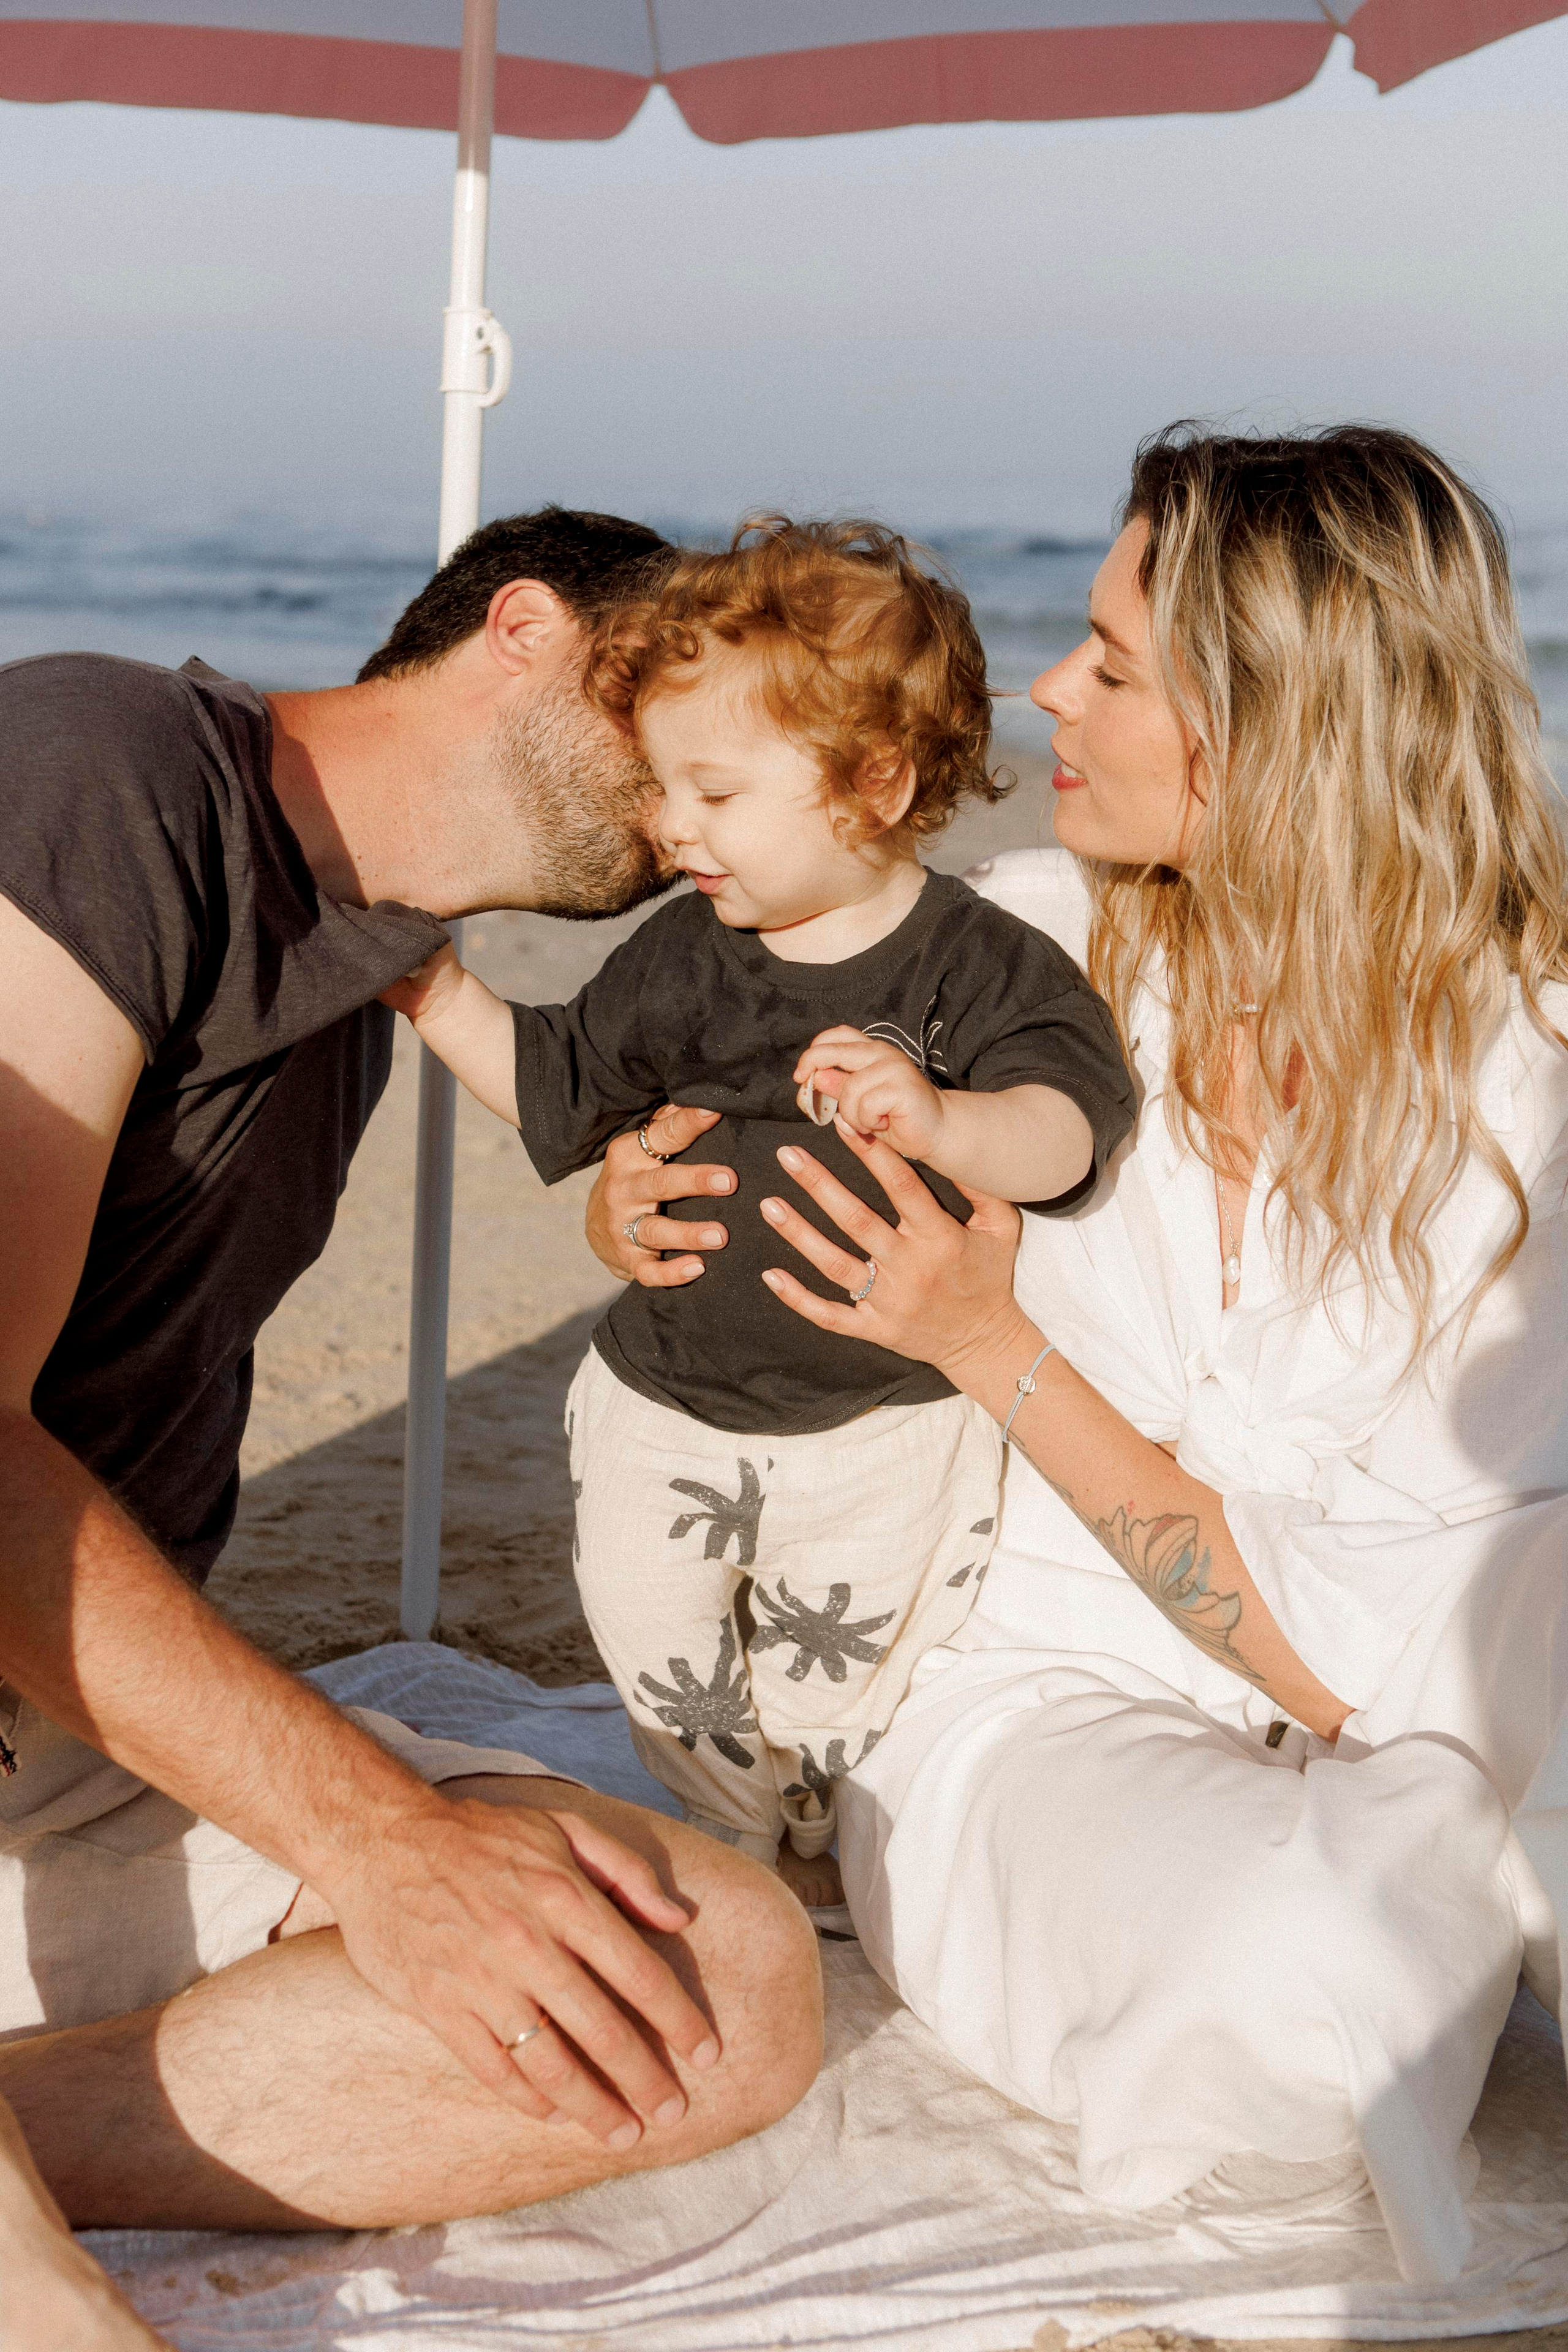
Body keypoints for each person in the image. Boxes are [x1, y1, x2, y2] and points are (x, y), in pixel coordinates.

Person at [587, 426, 1568, 2285]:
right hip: (1034, 1706)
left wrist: (994, 1342)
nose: (1048, 685)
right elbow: (718, 1101)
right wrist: (637, 1204)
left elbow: (1413, 1638)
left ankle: (1443, 1874)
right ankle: (1407, 1907)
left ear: (1281, 724)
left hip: (1443, 1691)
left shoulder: (1528, 1081)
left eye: (1115, 665)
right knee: (1304, 1987)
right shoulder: (1009, 962)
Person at [0, 508, 822, 2352]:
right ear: (524, 629)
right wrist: (377, 1839)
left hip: (72, 1745)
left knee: (713, 1989)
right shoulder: (103, 771)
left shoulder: (364, 986)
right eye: (679, 719)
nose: (703, 798)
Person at [383, 518, 1137, 1912]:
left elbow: (1068, 1124)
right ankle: (729, 1825)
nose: (670, 827)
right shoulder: (684, 952)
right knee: (652, 1634)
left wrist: (939, 1117)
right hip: (664, 1395)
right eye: (666, 787)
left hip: (884, 1423)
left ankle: (813, 1805)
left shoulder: (978, 967)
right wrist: (434, 990)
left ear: (871, 782)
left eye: (712, 793)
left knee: (837, 1674)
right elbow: (555, 1082)